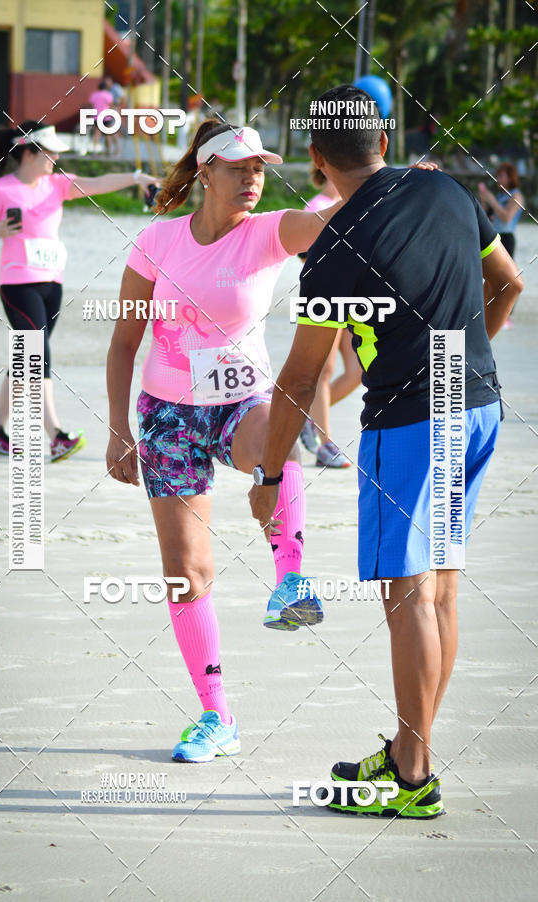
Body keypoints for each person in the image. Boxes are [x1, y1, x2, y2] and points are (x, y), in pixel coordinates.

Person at [249, 84, 523, 817]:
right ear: (384, 138)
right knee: (442, 589)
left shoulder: (334, 252)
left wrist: (270, 476)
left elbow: (301, 378)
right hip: (479, 408)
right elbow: (509, 284)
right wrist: (463, 363)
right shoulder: (452, 193)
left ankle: (413, 778)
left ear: (314, 160)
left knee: (409, 599)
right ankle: (410, 750)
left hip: (409, 425)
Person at [105, 120, 344, 764]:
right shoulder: (156, 241)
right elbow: (125, 341)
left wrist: (398, 189)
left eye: (260, 168)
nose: (252, 179)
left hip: (243, 403)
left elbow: (333, 221)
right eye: (238, 168)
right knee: (187, 574)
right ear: (205, 172)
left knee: (284, 433)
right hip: (169, 415)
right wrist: (117, 428)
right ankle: (217, 715)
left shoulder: (268, 232)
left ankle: (290, 579)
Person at [0, 120, 157, 461]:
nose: (56, 156)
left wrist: (137, 177)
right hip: (17, 284)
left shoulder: (56, 185)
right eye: (50, 150)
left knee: (25, 359)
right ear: (28, 152)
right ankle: (56, 434)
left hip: (52, 285)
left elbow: (98, 183)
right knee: (37, 356)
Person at [299, 164, 361, 469]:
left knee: (357, 371)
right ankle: (325, 444)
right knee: (324, 371)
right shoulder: (318, 206)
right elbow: (305, 254)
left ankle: (302, 417)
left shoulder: (357, 199)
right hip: (325, 295)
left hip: (354, 297)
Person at [479, 163, 524, 326]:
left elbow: (506, 218)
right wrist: (484, 201)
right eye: (497, 176)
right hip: (493, 237)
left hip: (507, 237)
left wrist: (492, 200)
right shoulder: (499, 196)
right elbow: (487, 218)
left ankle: (507, 315)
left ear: (510, 177)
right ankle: (487, 308)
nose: (498, 179)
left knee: (508, 277)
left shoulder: (516, 196)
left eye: (501, 176)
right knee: (488, 276)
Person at [88, 80, 117, 155]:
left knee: (96, 133)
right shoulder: (108, 95)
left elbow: (91, 105)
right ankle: (109, 150)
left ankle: (94, 150)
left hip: (97, 116)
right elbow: (111, 104)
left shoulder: (94, 94)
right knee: (108, 134)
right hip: (106, 116)